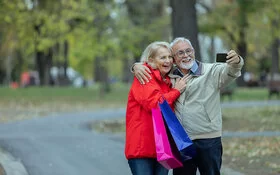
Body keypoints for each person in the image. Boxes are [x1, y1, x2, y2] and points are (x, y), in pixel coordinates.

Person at [132, 37, 244, 175]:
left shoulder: (211, 71)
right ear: (174, 58)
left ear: (194, 51)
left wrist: (237, 61)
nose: (186, 55)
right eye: (180, 53)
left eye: (188, 51)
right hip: (182, 141)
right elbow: (153, 65)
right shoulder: (169, 76)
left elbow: (230, 71)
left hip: (208, 138)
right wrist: (136, 66)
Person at [125, 41, 190, 175]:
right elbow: (155, 104)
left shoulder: (168, 80)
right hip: (142, 147)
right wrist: (176, 91)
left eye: (170, 57)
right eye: (162, 57)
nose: (168, 61)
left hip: (162, 147)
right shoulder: (145, 76)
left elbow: (189, 62)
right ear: (151, 60)